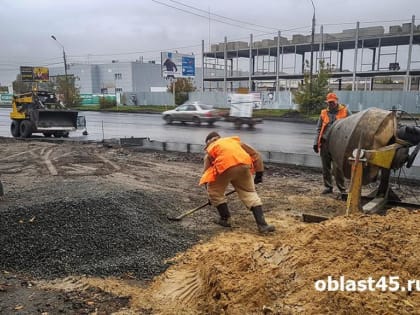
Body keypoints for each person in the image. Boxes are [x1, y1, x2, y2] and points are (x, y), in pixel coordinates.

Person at [199, 132, 275, 233]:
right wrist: (259, 174)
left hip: (224, 167)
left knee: (215, 192)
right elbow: (256, 154)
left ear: (209, 141)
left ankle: (225, 219)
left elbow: (206, 175)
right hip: (244, 166)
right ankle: (263, 225)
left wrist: (211, 196)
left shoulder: (211, 149)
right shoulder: (234, 142)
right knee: (249, 193)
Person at [313, 92, 351, 195]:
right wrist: (316, 142)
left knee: (337, 168)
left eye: (332, 102)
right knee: (326, 168)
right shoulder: (323, 113)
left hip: (338, 144)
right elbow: (319, 128)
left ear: (336, 101)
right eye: (329, 103)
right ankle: (328, 187)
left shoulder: (345, 111)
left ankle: (342, 189)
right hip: (325, 143)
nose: (331, 104)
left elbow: (352, 126)